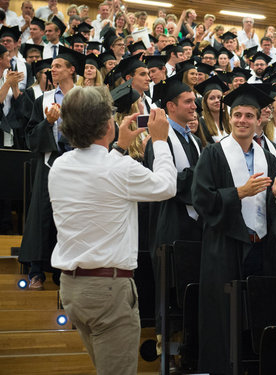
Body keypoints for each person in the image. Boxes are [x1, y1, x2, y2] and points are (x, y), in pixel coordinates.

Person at [49, 85, 176, 375]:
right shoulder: (118, 169)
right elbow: (167, 186)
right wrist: (160, 141)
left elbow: (102, 177)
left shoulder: (59, 165)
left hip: (72, 288)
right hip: (108, 290)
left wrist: (118, 147)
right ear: (108, 124)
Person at [192, 83, 276, 375]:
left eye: (249, 115)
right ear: (230, 117)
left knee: (259, 316)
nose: (242, 120)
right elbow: (201, 199)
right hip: (225, 247)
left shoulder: (271, 156)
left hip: (262, 247)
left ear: (258, 119)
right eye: (237, 114)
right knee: (224, 319)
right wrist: (238, 192)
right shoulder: (213, 154)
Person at [19, 46, 86, 289]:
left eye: (58, 66)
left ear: (71, 70)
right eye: (52, 67)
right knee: (42, 214)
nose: (53, 70)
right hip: (50, 163)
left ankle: (64, 271)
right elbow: (30, 139)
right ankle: (36, 270)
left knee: (73, 216)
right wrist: (48, 123)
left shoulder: (86, 98)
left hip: (80, 164)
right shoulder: (43, 100)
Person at [146, 75, 203, 338]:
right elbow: (165, 181)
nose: (195, 106)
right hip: (170, 224)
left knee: (190, 291)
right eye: (188, 101)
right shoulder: (159, 138)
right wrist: (203, 180)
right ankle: (166, 347)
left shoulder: (192, 138)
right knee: (170, 292)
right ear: (171, 107)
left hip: (194, 226)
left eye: (194, 101)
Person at [195, 75, 230, 143]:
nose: (217, 100)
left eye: (219, 97)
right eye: (212, 98)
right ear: (205, 102)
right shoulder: (202, 123)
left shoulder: (230, 121)